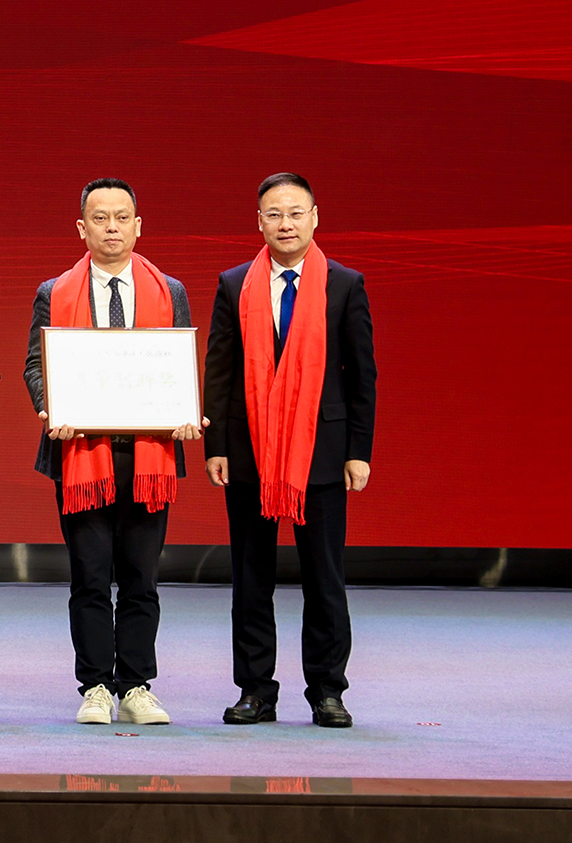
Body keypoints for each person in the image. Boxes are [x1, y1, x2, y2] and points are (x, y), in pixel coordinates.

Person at [23, 177, 200, 726]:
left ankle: (137, 685)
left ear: (138, 226)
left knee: (142, 578)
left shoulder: (169, 290)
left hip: (148, 456)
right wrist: (51, 406)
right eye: (100, 218)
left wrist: (187, 410)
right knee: (90, 577)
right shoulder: (54, 291)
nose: (112, 228)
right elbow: (36, 365)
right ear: (82, 228)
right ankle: (97, 685)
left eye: (122, 218)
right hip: (80, 455)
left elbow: (179, 365)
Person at [204, 172, 377, 728]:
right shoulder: (235, 284)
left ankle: (327, 690)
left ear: (315, 217)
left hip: (322, 452)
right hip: (250, 450)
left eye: (295, 213)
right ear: (259, 222)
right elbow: (220, 371)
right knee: (251, 578)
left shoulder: (344, 285)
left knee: (324, 577)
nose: (286, 224)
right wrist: (216, 445)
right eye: (274, 214)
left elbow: (362, 376)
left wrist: (358, 450)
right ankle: (256, 690)